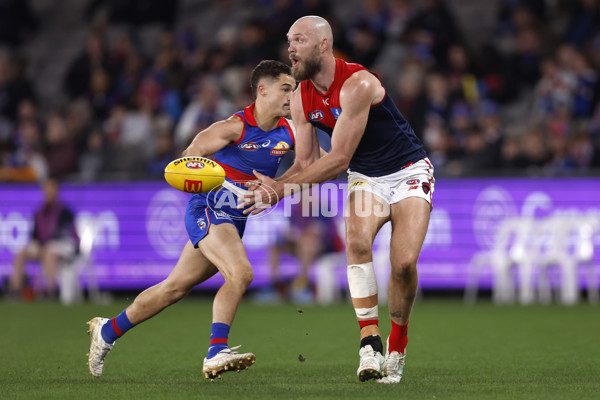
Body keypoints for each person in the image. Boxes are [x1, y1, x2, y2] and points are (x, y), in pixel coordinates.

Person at [241, 16, 435, 384]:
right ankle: (369, 343)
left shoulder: (358, 84)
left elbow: (338, 159)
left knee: (404, 264)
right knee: (358, 242)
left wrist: (280, 190)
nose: (290, 48)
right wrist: (276, 186)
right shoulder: (299, 94)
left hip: (408, 171)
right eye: (288, 40)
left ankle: (398, 343)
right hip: (367, 177)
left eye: (298, 40)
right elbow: (306, 162)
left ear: (322, 45)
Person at [86, 60, 296, 380]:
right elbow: (185, 163)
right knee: (240, 273)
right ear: (262, 90)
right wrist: (217, 177)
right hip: (209, 210)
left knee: (173, 289)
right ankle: (215, 351)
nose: (291, 95)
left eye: (293, 89)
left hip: (234, 220)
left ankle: (107, 331)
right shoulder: (232, 128)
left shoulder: (290, 131)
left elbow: (316, 166)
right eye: (285, 88)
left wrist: (278, 187)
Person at [8, 178, 79, 300]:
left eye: (51, 189)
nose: (48, 193)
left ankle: (50, 291)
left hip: (65, 246)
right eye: (46, 190)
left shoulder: (65, 212)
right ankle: (15, 290)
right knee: (20, 253)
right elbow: (34, 236)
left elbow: (63, 235)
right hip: (44, 246)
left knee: (49, 252)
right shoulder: (39, 212)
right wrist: (37, 246)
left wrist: (44, 245)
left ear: (56, 191)